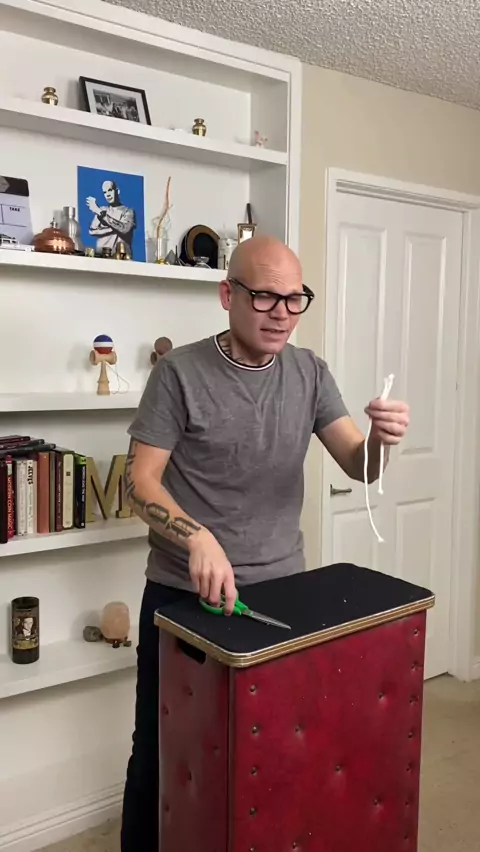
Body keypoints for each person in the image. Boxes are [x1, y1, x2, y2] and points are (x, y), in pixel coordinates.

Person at [120, 235, 410, 851]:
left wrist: (382, 442)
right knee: (164, 749)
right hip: (182, 599)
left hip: (282, 594)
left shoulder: (310, 372)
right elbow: (138, 483)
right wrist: (197, 537)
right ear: (227, 295)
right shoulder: (178, 374)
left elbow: (358, 465)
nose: (282, 313)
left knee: (270, 751)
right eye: (264, 297)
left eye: (294, 299)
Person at [86, 180, 136, 256]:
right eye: (105, 192)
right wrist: (115, 229)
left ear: (117, 191)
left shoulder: (128, 211)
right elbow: (92, 231)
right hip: (101, 257)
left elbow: (125, 229)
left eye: (110, 190)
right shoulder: (102, 209)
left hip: (122, 259)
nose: (108, 195)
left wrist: (100, 213)